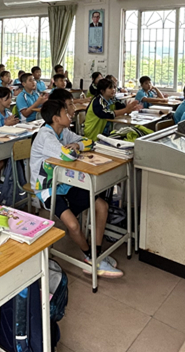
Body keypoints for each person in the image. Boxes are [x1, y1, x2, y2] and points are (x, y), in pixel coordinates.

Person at [31, 100, 120, 278]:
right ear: (56, 118)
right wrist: (73, 150)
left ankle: (96, 253)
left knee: (102, 206)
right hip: (48, 190)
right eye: (66, 112)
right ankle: (89, 256)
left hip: (66, 183)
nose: (70, 114)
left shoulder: (63, 132)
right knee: (73, 225)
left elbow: (89, 142)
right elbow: (68, 156)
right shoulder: (46, 136)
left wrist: (78, 145)